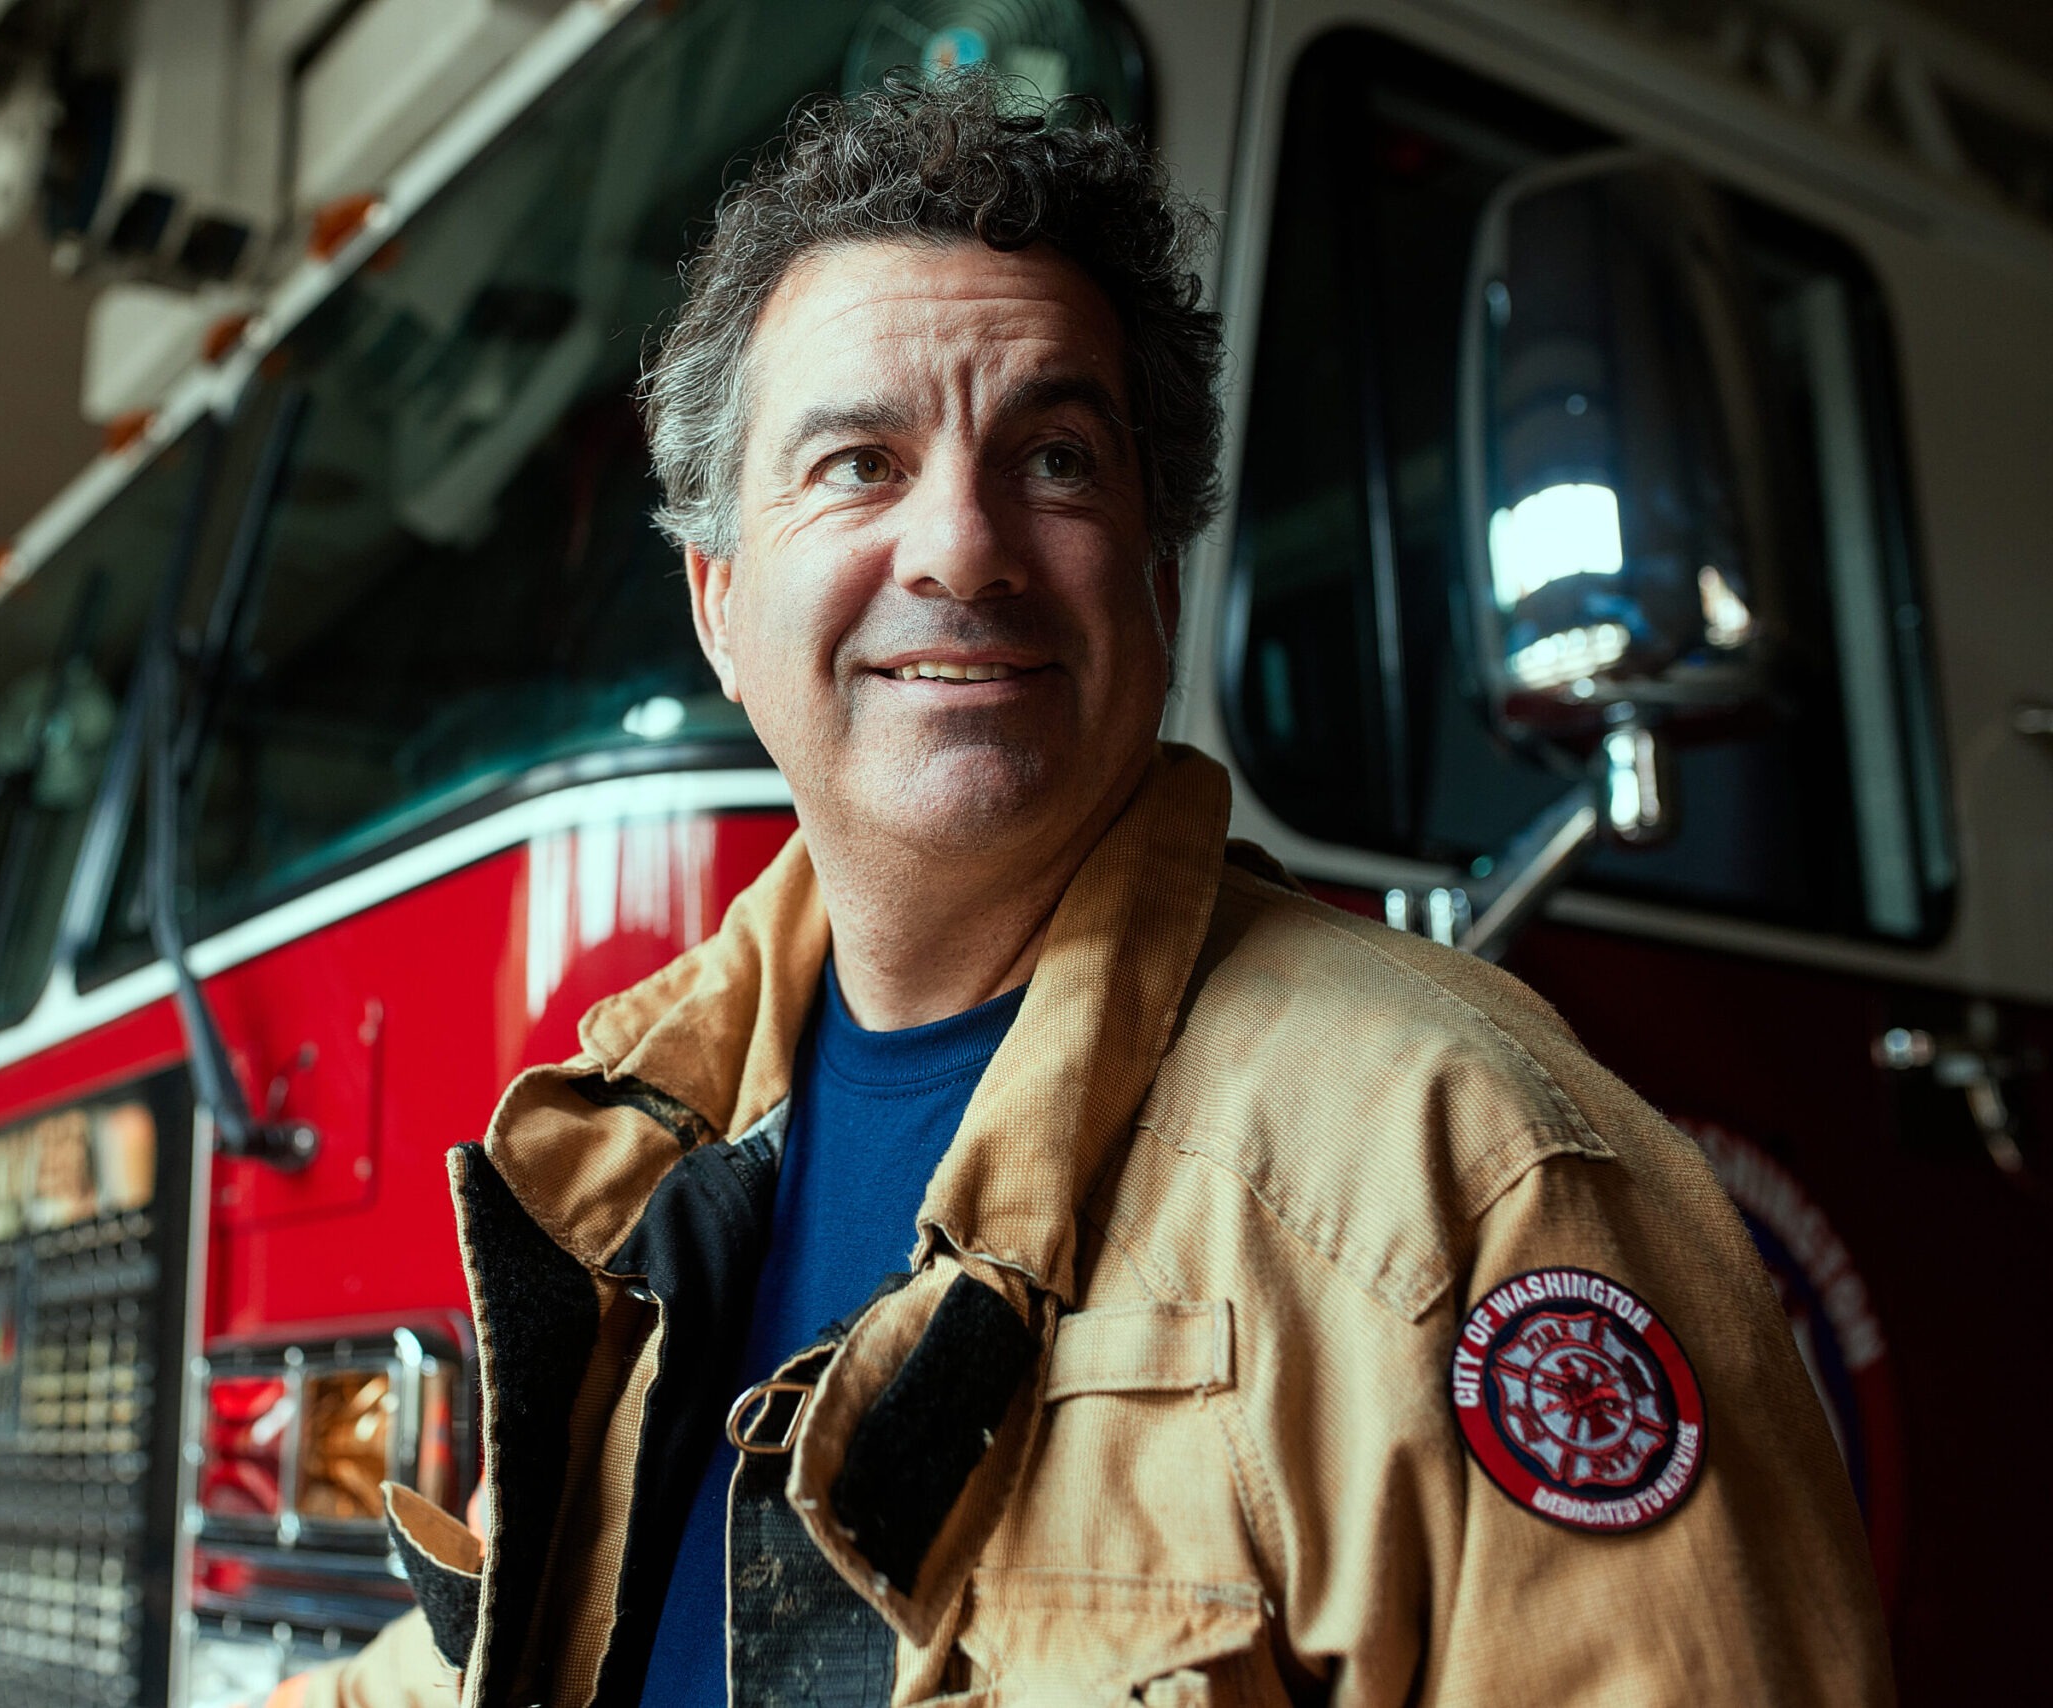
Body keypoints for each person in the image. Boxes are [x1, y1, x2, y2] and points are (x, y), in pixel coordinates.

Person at [283, 70, 1889, 1708]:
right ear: (719, 609)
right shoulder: (633, 1168)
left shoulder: (1475, 1186)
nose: (963, 548)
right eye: (856, 463)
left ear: (1157, 576)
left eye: (1054, 458)